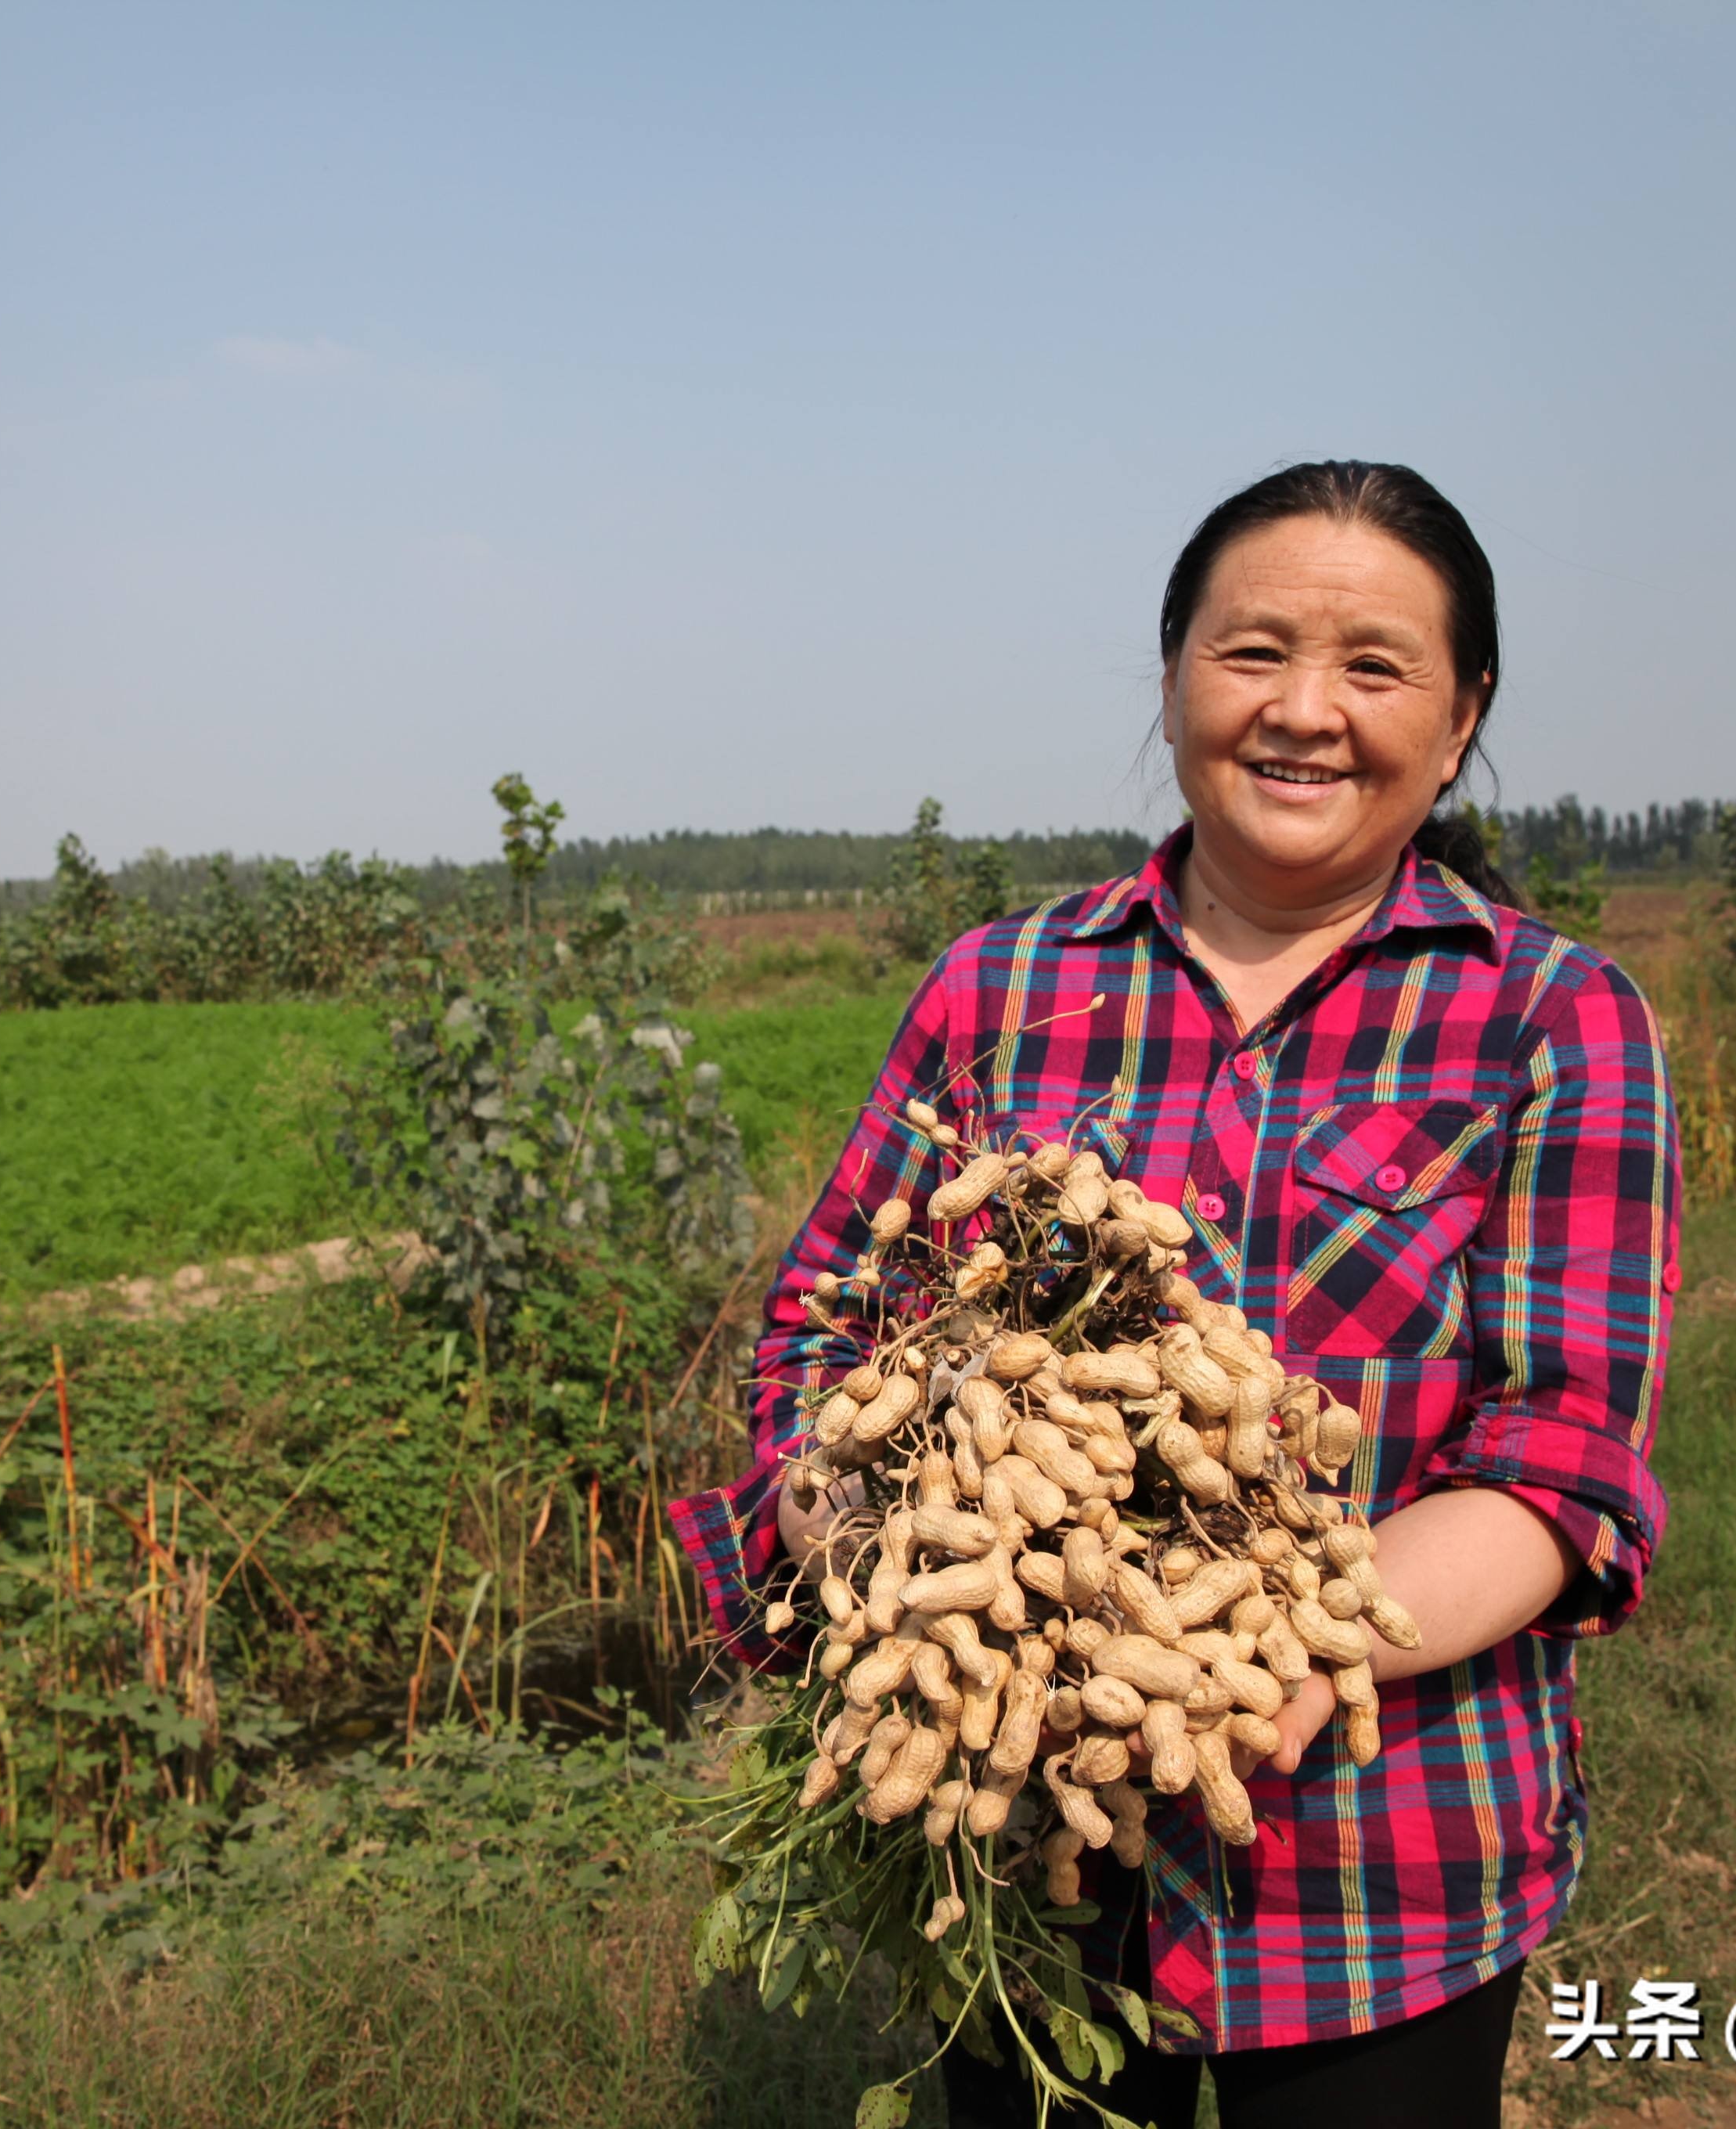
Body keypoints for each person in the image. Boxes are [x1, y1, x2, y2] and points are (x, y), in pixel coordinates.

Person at [671, 462, 1680, 2127]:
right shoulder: (1003, 985)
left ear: (1460, 718)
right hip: (1016, 1829)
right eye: (1252, 651)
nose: (1304, 710)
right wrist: (879, 1535)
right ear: (1171, 677)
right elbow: (822, 1334)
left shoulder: (1556, 1019)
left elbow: (1561, 1457)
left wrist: (1272, 1648)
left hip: (1380, 1864)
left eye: (1374, 667)